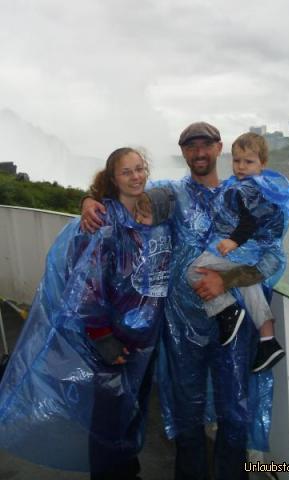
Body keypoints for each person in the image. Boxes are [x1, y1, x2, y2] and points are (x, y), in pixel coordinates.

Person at [81, 122, 289, 480]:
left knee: (235, 412)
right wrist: (88, 199)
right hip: (181, 329)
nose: (199, 153)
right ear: (183, 152)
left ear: (219, 149)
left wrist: (225, 279)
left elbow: (273, 258)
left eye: (206, 145)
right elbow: (125, 196)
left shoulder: (246, 194)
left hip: (235, 326)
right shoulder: (170, 194)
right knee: (187, 414)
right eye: (191, 146)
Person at [0, 147, 171, 480]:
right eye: (127, 172)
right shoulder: (101, 220)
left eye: (140, 169)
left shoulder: (150, 213)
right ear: (113, 179)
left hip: (142, 338)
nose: (136, 176)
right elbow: (85, 284)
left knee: (131, 407)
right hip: (110, 338)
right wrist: (101, 335)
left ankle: (126, 469)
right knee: (108, 417)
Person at [186, 132, 289, 372]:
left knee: (194, 270)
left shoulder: (247, 190)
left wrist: (233, 242)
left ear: (262, 164)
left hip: (253, 253)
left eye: (248, 162)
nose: (241, 166)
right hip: (266, 258)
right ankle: (268, 339)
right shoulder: (265, 187)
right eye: (237, 160)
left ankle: (226, 311)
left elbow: (249, 222)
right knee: (248, 283)